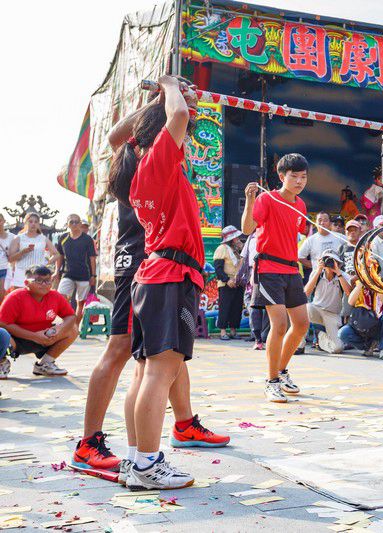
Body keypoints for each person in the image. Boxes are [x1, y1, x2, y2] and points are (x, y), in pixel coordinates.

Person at [105, 75, 208, 490]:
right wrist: (169, 86)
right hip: (167, 277)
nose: (187, 126)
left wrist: (159, 98)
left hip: (155, 276)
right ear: (158, 133)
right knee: (159, 374)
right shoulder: (157, 161)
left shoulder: (141, 168)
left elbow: (120, 135)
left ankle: (135, 460)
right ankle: (148, 465)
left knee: (145, 373)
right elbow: (179, 113)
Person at [242, 154, 311, 404]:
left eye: (303, 177)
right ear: (282, 177)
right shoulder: (266, 198)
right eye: (294, 176)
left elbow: (296, 233)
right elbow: (247, 229)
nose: (299, 181)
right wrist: (250, 201)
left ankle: (281, 371)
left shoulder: (301, 205)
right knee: (279, 325)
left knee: (302, 324)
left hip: (291, 270)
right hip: (268, 268)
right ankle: (271, 382)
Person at [0, 265, 77, 377]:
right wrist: (34, 336)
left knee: (73, 329)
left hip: (45, 338)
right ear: (26, 283)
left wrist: (57, 330)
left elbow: (70, 316)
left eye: (47, 281)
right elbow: (3, 323)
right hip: (16, 340)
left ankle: (45, 364)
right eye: (38, 280)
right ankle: (2, 362)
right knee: (1, 334)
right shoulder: (16, 297)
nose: (44, 284)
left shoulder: (55, 296)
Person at [302, 250, 351, 354]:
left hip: (332, 314)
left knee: (337, 348)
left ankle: (321, 338)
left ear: (338, 263)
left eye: (332, 261)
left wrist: (338, 273)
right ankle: (299, 345)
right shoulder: (317, 273)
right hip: (316, 310)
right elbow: (305, 293)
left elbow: (349, 293)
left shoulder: (343, 275)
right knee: (305, 308)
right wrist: (318, 271)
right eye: (326, 260)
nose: (329, 263)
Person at [338, 278, 383, 360]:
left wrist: (376, 285)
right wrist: (360, 284)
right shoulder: (359, 283)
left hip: (380, 325)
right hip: (364, 325)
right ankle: (368, 347)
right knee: (343, 333)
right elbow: (351, 302)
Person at [54, 213, 98, 324]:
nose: (74, 224)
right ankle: (67, 321)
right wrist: (56, 271)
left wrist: (93, 275)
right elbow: (59, 256)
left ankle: (75, 326)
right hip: (67, 273)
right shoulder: (63, 238)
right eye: (71, 222)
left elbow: (92, 258)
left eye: (76, 222)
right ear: (67, 224)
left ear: (80, 224)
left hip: (84, 275)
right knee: (61, 298)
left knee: (80, 303)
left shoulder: (87, 239)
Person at [6, 213, 58, 291]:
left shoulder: (43, 238)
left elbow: (56, 254)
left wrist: (46, 263)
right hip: (21, 274)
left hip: (38, 275)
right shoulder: (18, 238)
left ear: (38, 224)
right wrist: (23, 252)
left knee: (36, 300)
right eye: (30, 221)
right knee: (20, 300)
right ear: (26, 223)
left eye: (36, 222)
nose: (33, 224)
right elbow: (10, 259)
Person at [214, 225, 245, 340]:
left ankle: (233, 330)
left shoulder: (236, 251)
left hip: (238, 282)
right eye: (236, 237)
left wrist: (242, 249)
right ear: (231, 238)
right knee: (225, 307)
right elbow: (218, 268)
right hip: (226, 283)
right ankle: (223, 331)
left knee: (236, 308)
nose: (238, 239)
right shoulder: (222, 249)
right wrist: (227, 280)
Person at [0, 214, 16, 303]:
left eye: (0, 220)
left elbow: (15, 254)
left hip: (5, 269)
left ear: (4, 221)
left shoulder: (12, 237)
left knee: (1, 294)